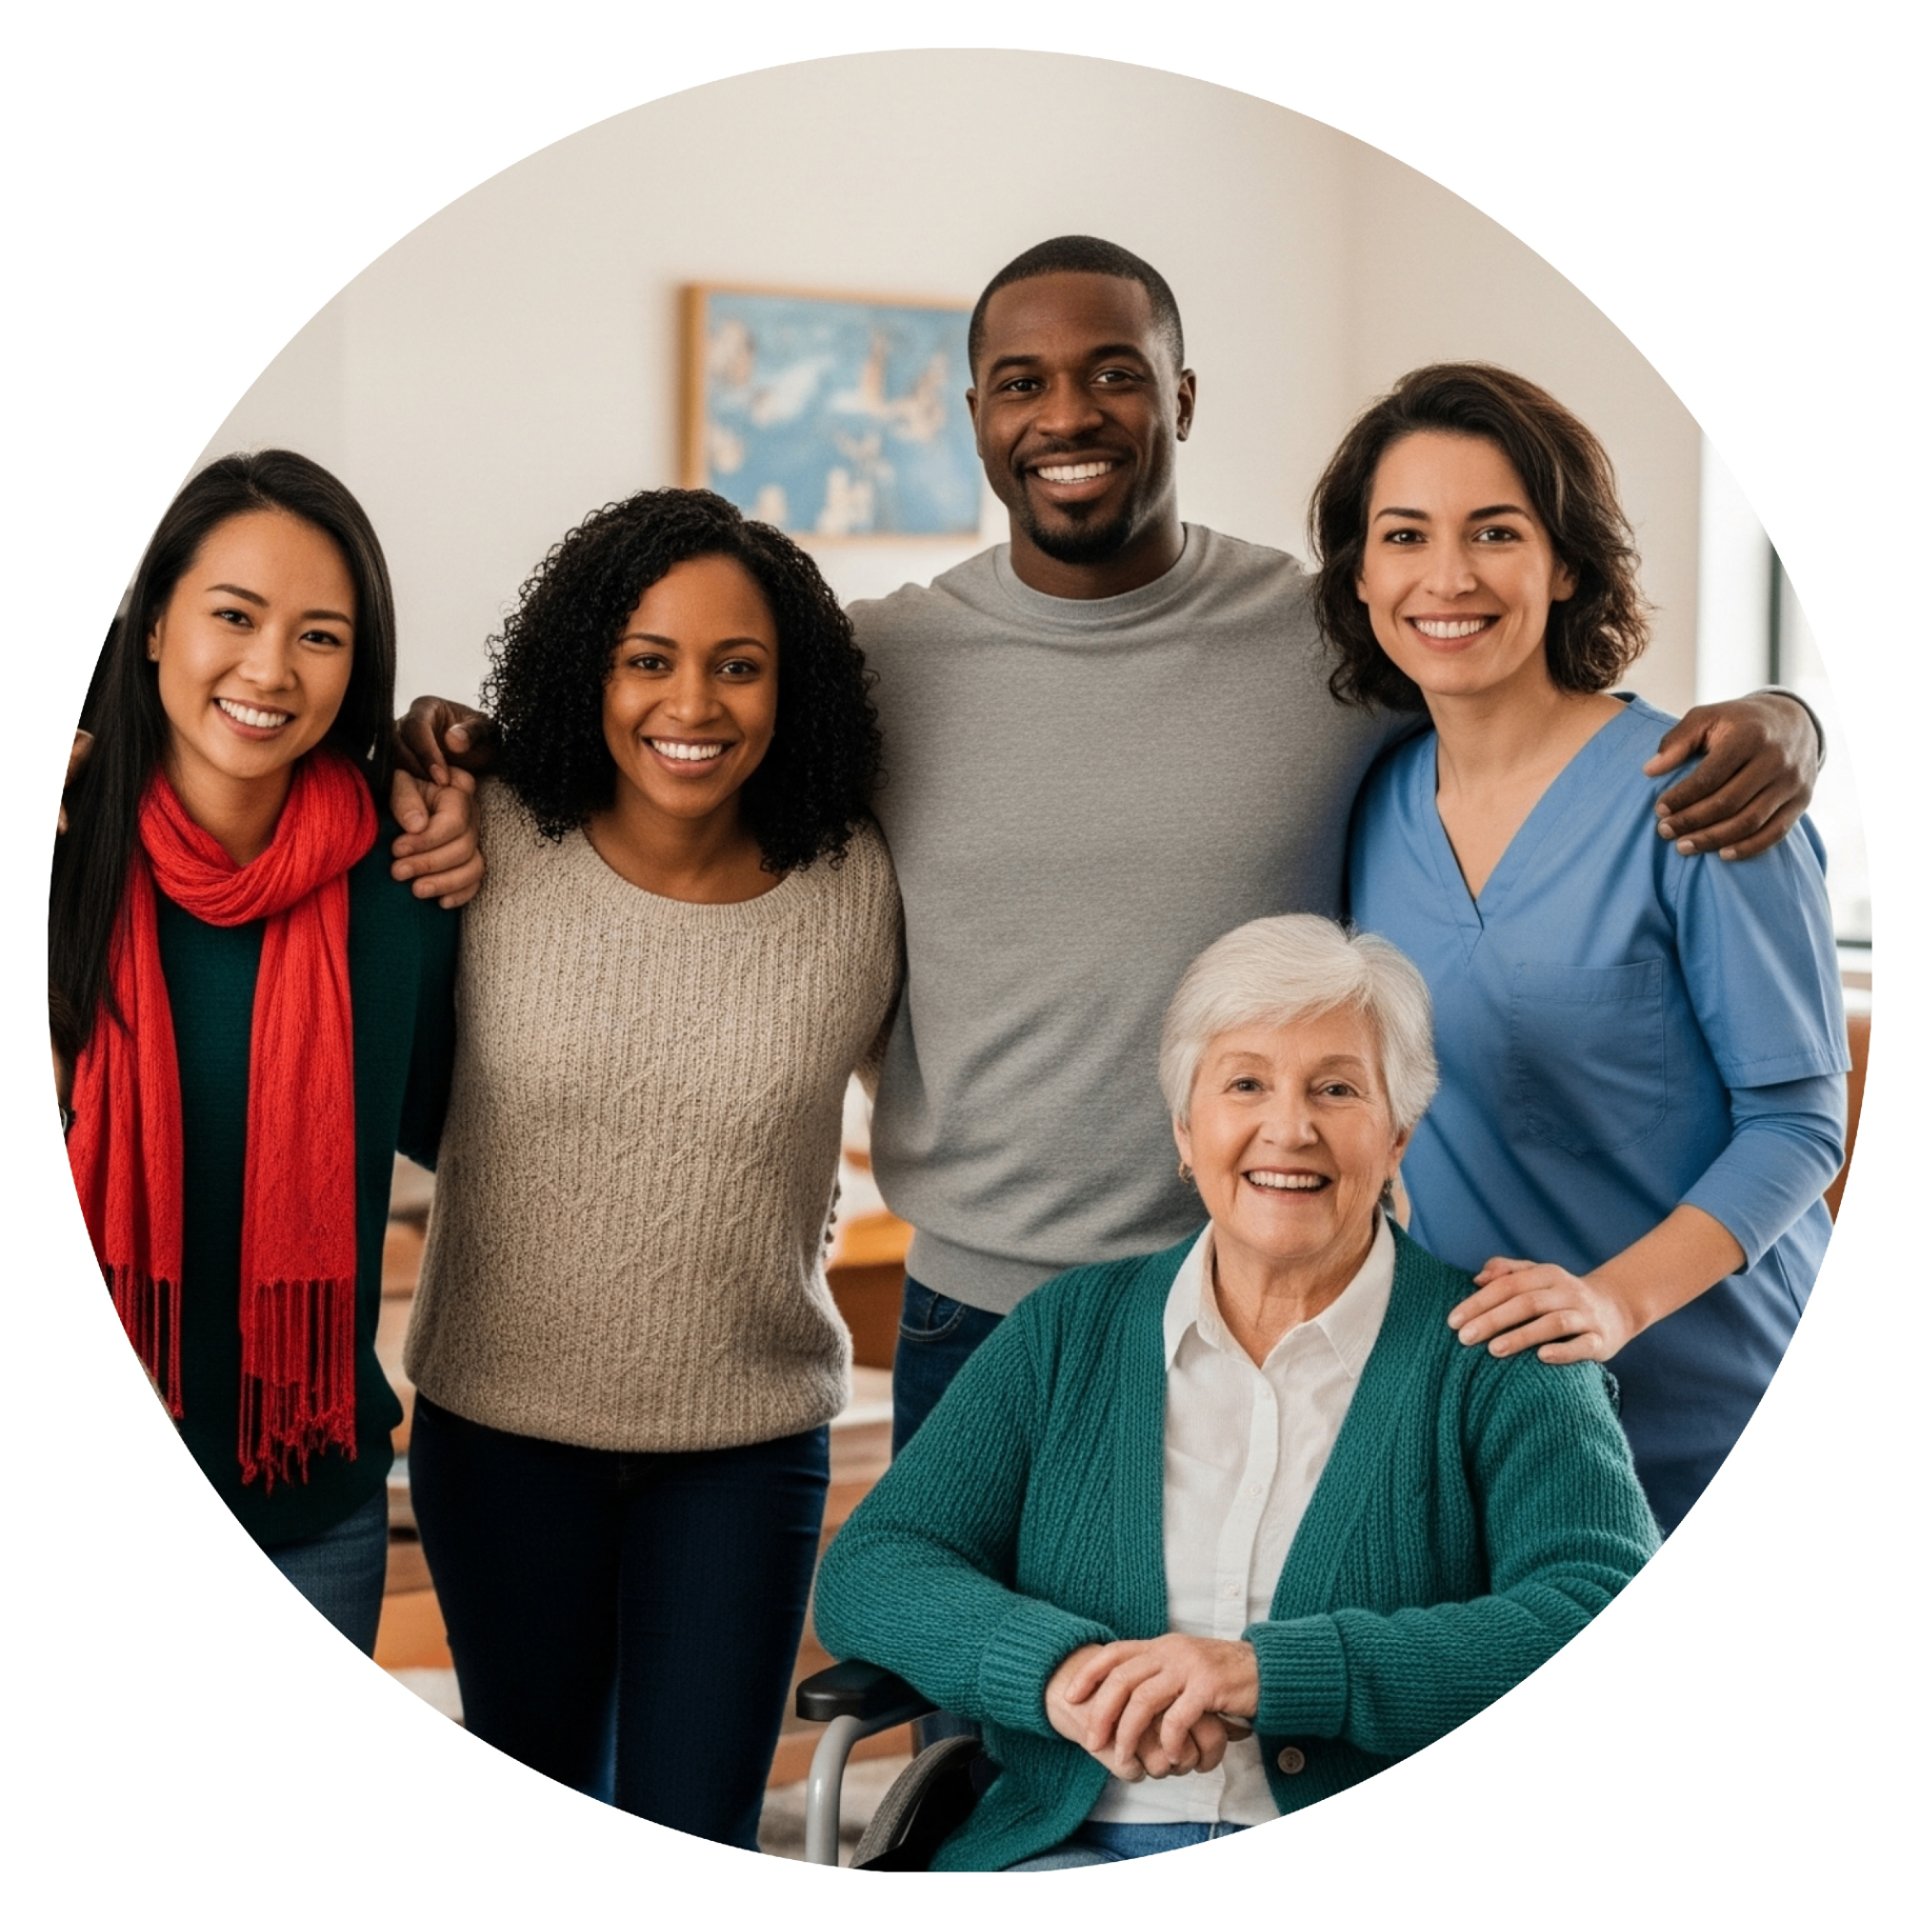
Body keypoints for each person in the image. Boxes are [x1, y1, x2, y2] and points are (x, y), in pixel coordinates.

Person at [397, 236, 1824, 1456]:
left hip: (1265, 1302)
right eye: (1022, 382)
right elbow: (671, 749)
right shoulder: (878, 668)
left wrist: (1789, 713)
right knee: (972, 1724)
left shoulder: (1329, 648)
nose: (1067, 412)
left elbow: (1521, 692)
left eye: (1115, 373)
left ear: (1181, 397)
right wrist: (465, 753)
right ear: (973, 415)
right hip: (974, 1316)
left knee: (1229, 1727)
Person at [812, 914, 1662, 1870]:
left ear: (1398, 1137)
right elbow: (877, 1566)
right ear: (1187, 1130)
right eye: (1245, 1083)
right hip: (1066, 1849)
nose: (1288, 1127)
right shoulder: (1066, 1332)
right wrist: (1059, 1674)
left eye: (1336, 1088)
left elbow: (1600, 1608)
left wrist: (1273, 1673)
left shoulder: (1503, 1351)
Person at [398, 488, 901, 1848]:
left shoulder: (859, 884)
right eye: (649, 658)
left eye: (739, 664)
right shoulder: (483, 835)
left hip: (743, 1448)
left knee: (702, 1833)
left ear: (788, 688)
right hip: (501, 1431)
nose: (695, 702)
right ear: (588, 671)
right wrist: (411, 743)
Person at [1322, 364, 1850, 1534]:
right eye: (1405, 536)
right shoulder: (1375, 802)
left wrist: (1611, 1305)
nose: (1447, 577)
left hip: (1714, 1415)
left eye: (1495, 532)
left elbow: (1801, 1129)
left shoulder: (1705, 798)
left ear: (1564, 564)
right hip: (1490, 1428)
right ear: (1363, 576)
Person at [50, 450, 459, 1653]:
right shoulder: (58, 863)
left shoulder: (408, 884)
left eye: (320, 635)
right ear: (152, 626)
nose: (271, 670)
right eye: (234, 616)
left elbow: (482, 1129)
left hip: (307, 1513)